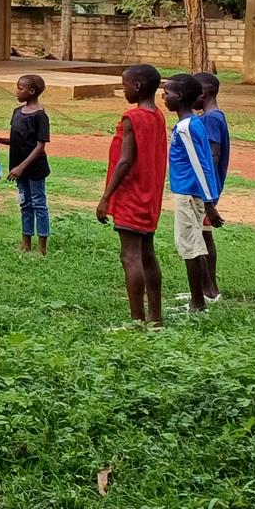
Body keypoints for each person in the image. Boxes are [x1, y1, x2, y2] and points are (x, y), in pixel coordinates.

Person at [96, 62, 167, 325]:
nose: (123, 90)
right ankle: (156, 318)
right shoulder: (157, 115)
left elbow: (125, 161)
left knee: (130, 256)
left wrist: (106, 197)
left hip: (131, 195)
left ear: (137, 86)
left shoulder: (132, 118)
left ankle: (137, 321)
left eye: (124, 85)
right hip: (150, 195)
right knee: (147, 254)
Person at [164, 72, 221, 314]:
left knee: (190, 247)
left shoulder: (186, 127)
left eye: (166, 93)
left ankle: (198, 304)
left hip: (188, 193)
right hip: (192, 193)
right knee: (195, 244)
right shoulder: (194, 123)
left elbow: (200, 165)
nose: (164, 98)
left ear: (179, 96)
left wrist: (209, 204)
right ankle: (200, 295)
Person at [1, 73, 53, 254]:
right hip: (18, 168)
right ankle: (26, 243)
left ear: (31, 91)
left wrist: (21, 167)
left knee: (39, 203)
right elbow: (18, 140)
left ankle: (42, 247)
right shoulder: (17, 112)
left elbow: (40, 146)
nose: (17, 91)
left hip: (34, 168)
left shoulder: (40, 116)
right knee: (25, 203)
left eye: (20, 88)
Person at [192, 71, 229, 302]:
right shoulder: (213, 116)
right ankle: (209, 288)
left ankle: (209, 291)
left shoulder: (211, 119)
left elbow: (212, 155)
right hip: (208, 187)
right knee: (204, 235)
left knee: (201, 237)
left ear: (203, 94)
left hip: (205, 188)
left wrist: (205, 190)